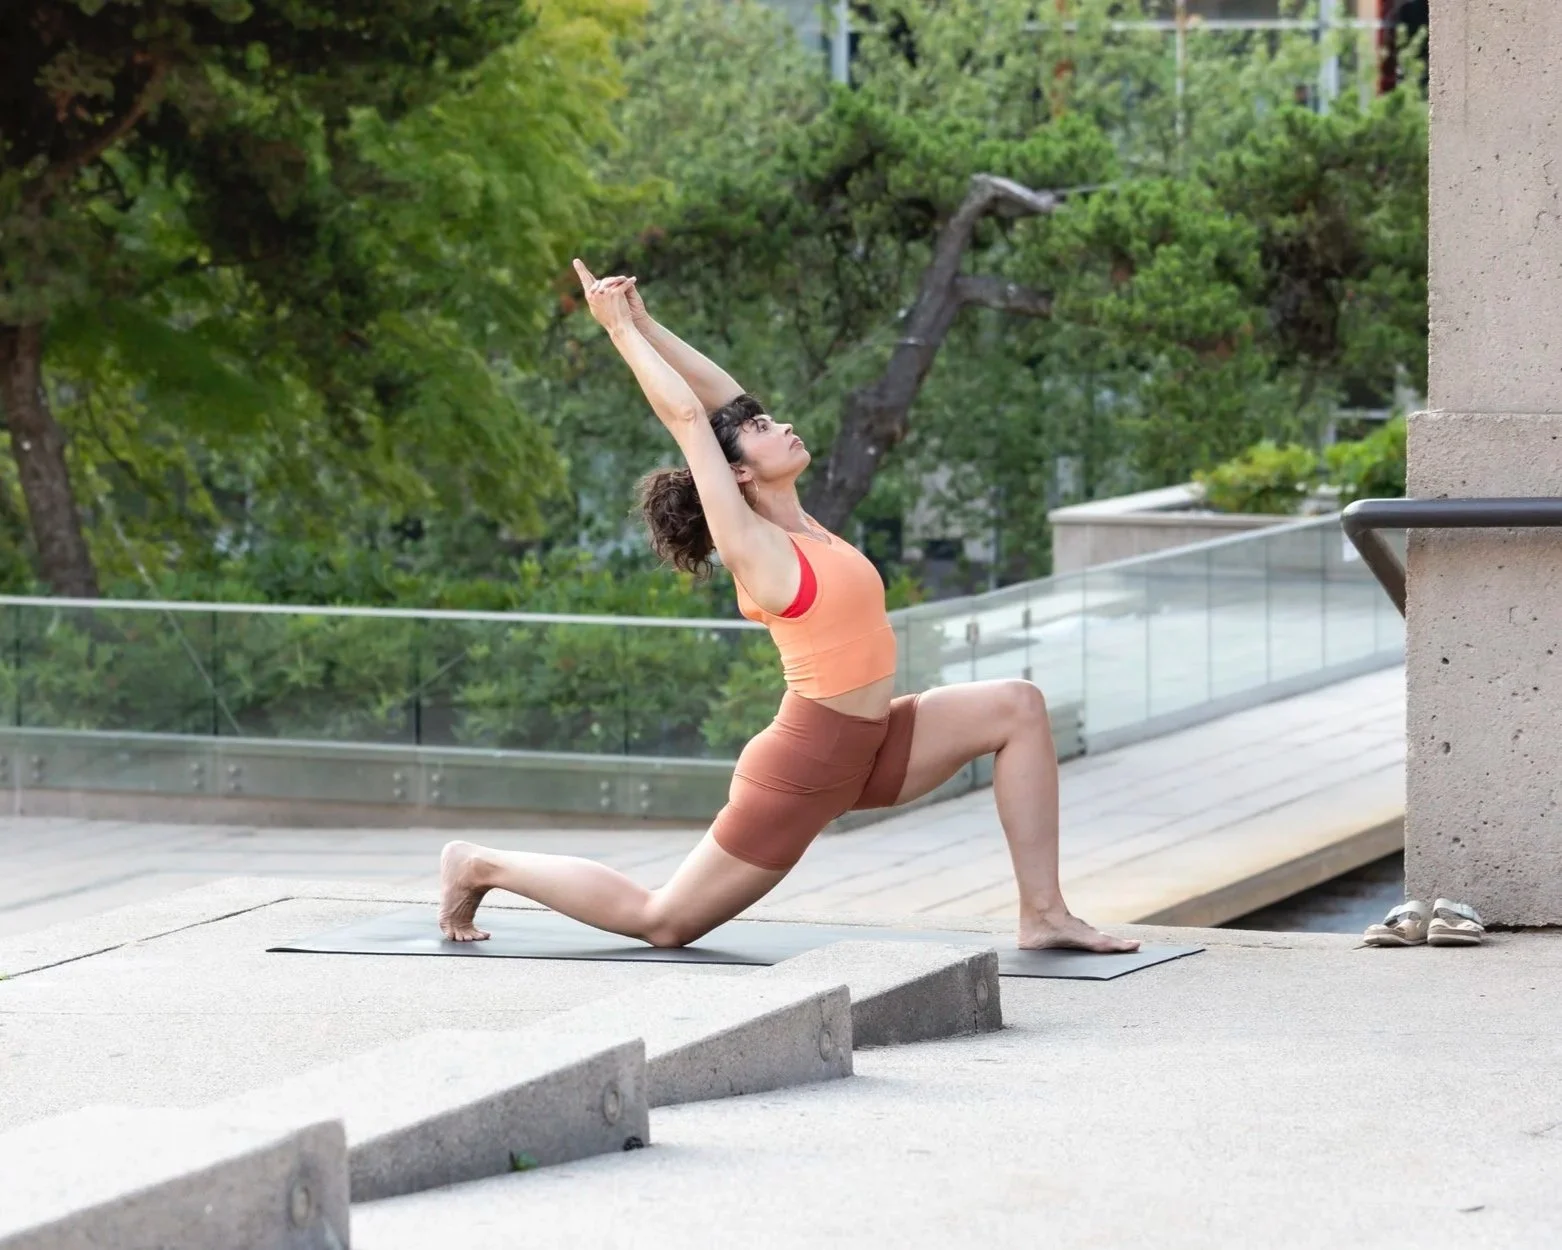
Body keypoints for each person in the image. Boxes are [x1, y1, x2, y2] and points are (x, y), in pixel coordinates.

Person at [437, 259, 1138, 954]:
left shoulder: (806, 524)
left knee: (1017, 705)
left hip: (874, 744)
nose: (782, 424)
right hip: (804, 765)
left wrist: (647, 320)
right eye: (765, 429)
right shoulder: (756, 545)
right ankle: (480, 864)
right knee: (663, 922)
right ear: (738, 471)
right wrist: (617, 330)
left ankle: (1043, 912)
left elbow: (722, 403)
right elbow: (689, 416)